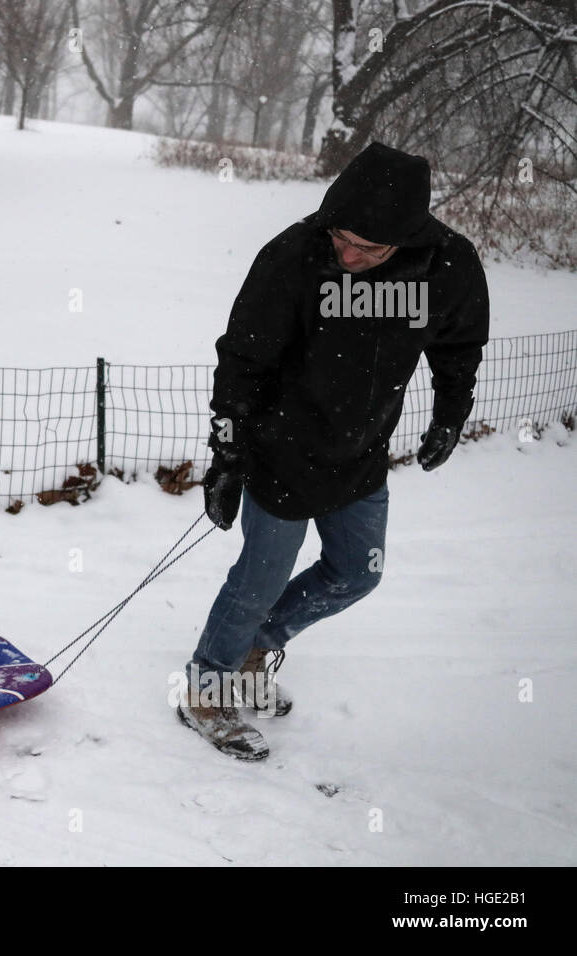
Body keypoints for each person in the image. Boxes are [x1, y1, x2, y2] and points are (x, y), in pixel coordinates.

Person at [178, 142, 490, 760]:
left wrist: (450, 416)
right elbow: (242, 360)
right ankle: (208, 688)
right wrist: (228, 453)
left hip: (362, 452)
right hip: (282, 447)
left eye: (369, 250)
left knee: (357, 572)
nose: (349, 256)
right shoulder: (295, 256)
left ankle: (254, 647)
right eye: (342, 238)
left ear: (410, 237)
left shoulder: (448, 266)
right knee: (259, 578)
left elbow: (459, 347)